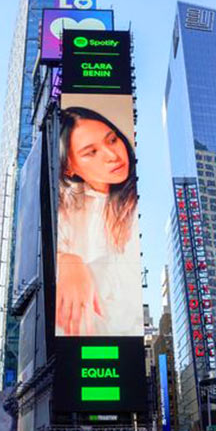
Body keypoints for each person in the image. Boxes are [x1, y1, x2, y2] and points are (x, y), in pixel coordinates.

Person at [56, 107, 141, 337]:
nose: (112, 156)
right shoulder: (66, 205)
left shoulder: (139, 202)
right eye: (90, 152)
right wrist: (65, 261)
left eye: (112, 140)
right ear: (69, 166)